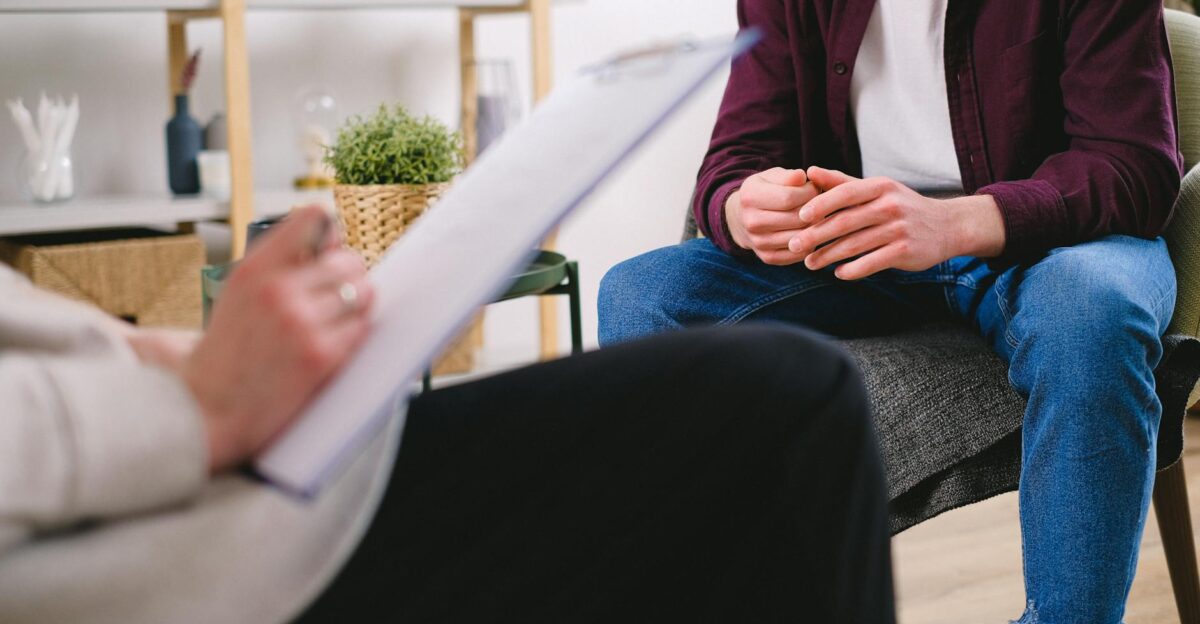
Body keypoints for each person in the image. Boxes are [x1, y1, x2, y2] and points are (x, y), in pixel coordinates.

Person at [0, 206, 895, 623]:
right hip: (180, 552)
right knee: (784, 404)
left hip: (185, 486)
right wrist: (192, 408)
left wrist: (167, 358)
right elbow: (731, 162)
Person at [597, 1, 1181, 623]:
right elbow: (736, 157)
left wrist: (955, 221)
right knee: (638, 297)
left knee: (1092, 313)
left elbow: (1135, 165)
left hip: (1050, 243)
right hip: (861, 253)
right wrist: (744, 207)